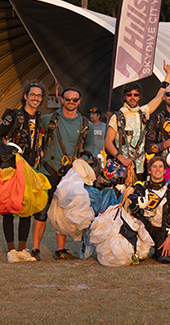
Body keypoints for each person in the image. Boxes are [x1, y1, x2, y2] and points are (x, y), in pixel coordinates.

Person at [34, 87, 99, 260]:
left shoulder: (86, 124)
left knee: (64, 211)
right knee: (41, 211)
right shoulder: (48, 119)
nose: (71, 102)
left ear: (79, 101)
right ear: (62, 100)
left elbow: (90, 145)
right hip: (48, 170)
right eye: (68, 99)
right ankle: (35, 249)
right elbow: (34, 136)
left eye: (74, 99)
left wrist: (83, 159)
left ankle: (60, 250)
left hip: (70, 175)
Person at [0, 82, 45, 262]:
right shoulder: (14, 116)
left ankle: (22, 250)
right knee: (8, 208)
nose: (36, 98)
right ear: (25, 96)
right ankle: (11, 251)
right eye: (33, 94)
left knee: (26, 208)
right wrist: (3, 148)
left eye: (39, 95)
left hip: (30, 169)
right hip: (11, 168)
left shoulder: (40, 118)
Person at [105, 61, 170, 183]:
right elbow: (108, 142)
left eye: (135, 95)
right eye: (129, 94)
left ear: (139, 97)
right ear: (125, 96)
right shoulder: (118, 116)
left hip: (140, 168)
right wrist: (122, 159)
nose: (132, 97)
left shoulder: (143, 112)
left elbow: (159, 97)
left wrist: (168, 76)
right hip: (121, 168)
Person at [126, 157, 170, 263]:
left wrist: (169, 239)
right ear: (149, 170)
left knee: (165, 258)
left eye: (160, 167)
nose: (158, 169)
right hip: (142, 229)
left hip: (162, 232)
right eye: (154, 167)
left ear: (165, 171)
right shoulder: (140, 188)